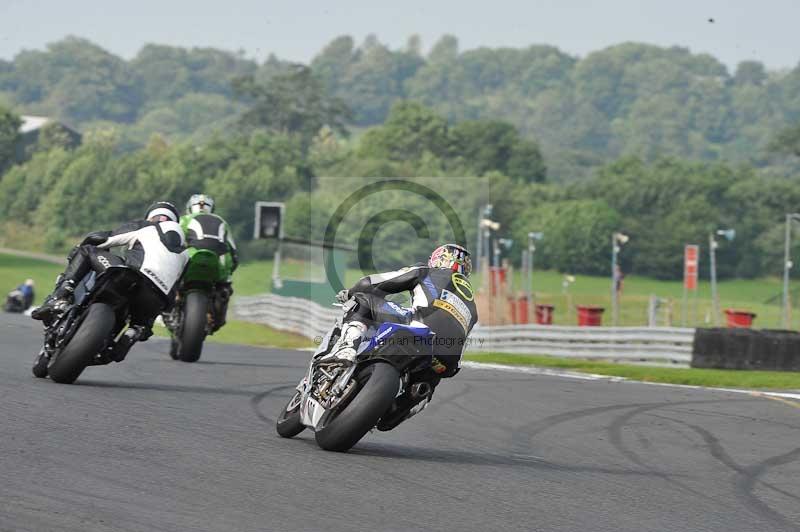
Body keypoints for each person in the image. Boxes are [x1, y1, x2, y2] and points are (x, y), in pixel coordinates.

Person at [322, 243, 478, 429]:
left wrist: (351, 292)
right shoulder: (473, 306)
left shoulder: (426, 272)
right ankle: (407, 405)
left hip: (418, 330)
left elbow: (375, 282)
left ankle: (347, 349)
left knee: (363, 300)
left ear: (437, 259)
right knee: (426, 385)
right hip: (447, 361)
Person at [32, 202, 189, 356]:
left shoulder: (146, 226)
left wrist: (85, 244)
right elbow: (179, 284)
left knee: (87, 251)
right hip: (157, 299)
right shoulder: (185, 253)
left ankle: (60, 297)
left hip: (130, 277)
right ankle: (132, 332)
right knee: (143, 321)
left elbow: (104, 238)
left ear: (151, 217)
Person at [180, 193, 238, 330]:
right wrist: (229, 272)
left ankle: (172, 300)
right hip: (218, 265)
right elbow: (233, 251)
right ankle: (216, 316)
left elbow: (174, 240)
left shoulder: (184, 219)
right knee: (225, 287)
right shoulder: (222, 222)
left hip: (189, 263)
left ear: (189, 208)